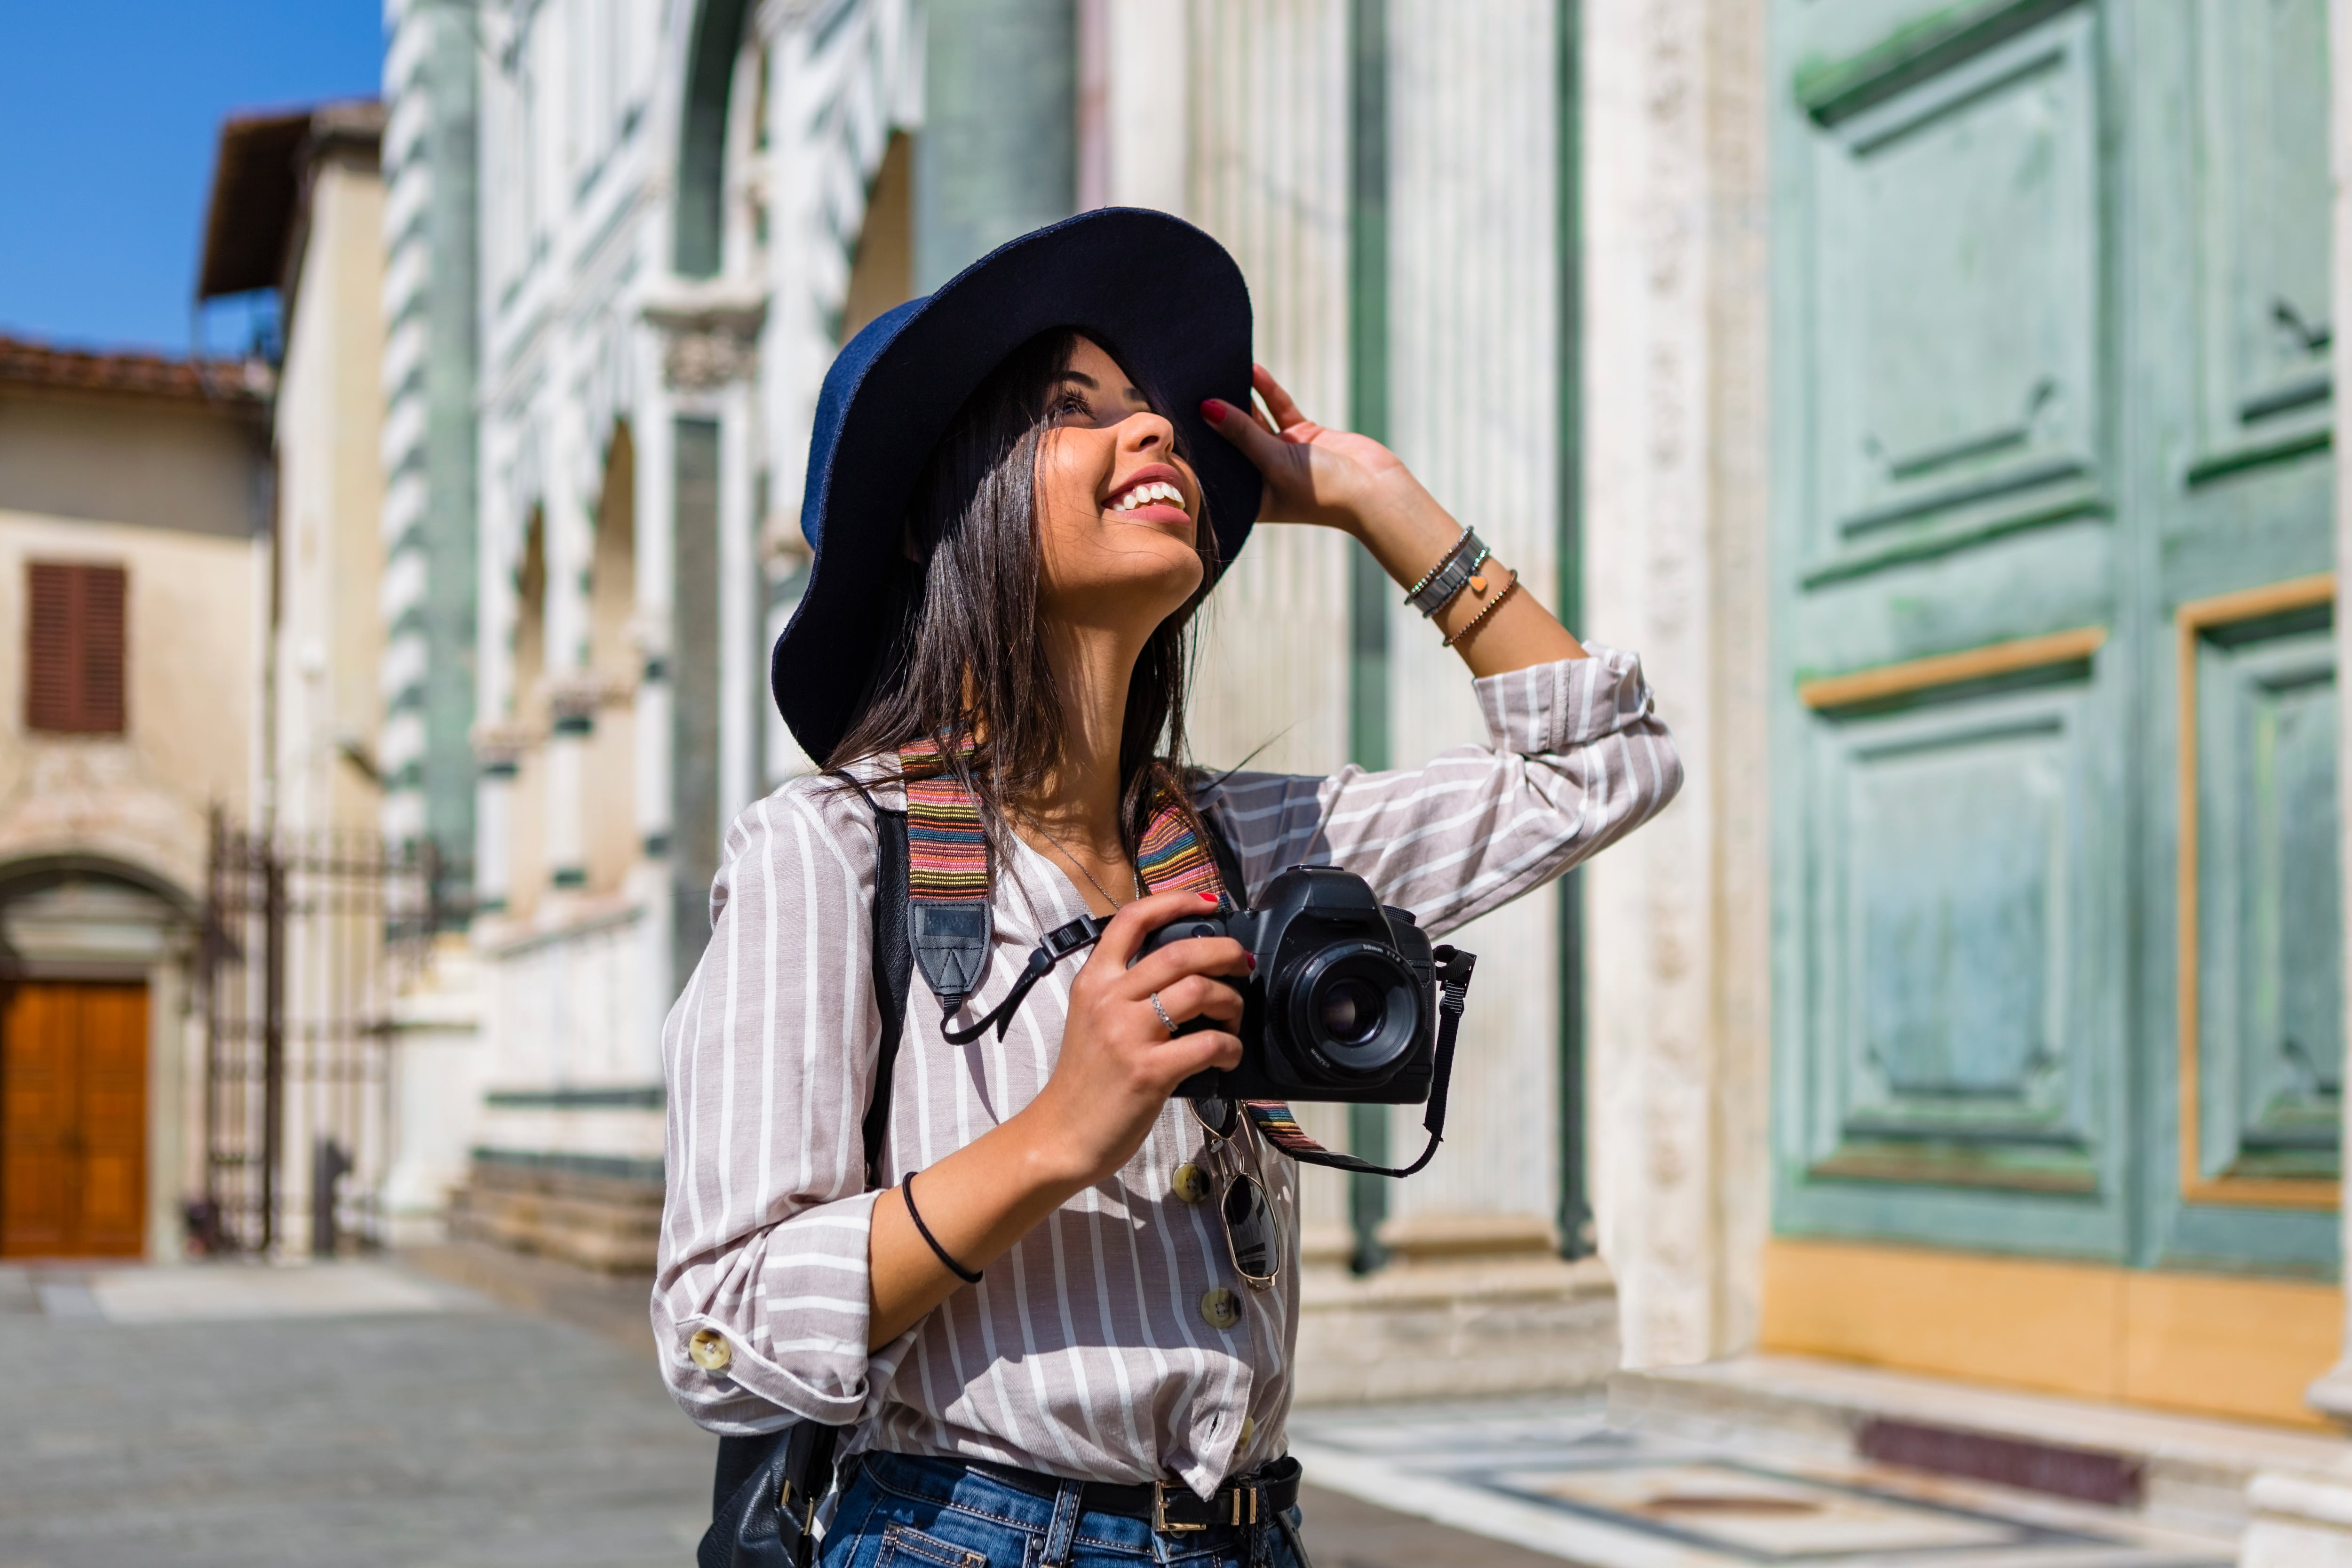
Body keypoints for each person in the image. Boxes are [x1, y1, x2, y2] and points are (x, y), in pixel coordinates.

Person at [654, 209, 1680, 1568]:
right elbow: (718, 1329)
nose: (1157, 437)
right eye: (1076, 413)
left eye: (1155, 414)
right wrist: (1059, 1134)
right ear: (932, 515)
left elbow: (1605, 767)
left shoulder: (1250, 844)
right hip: (966, 1537)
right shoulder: (833, 853)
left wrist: (1386, 506)